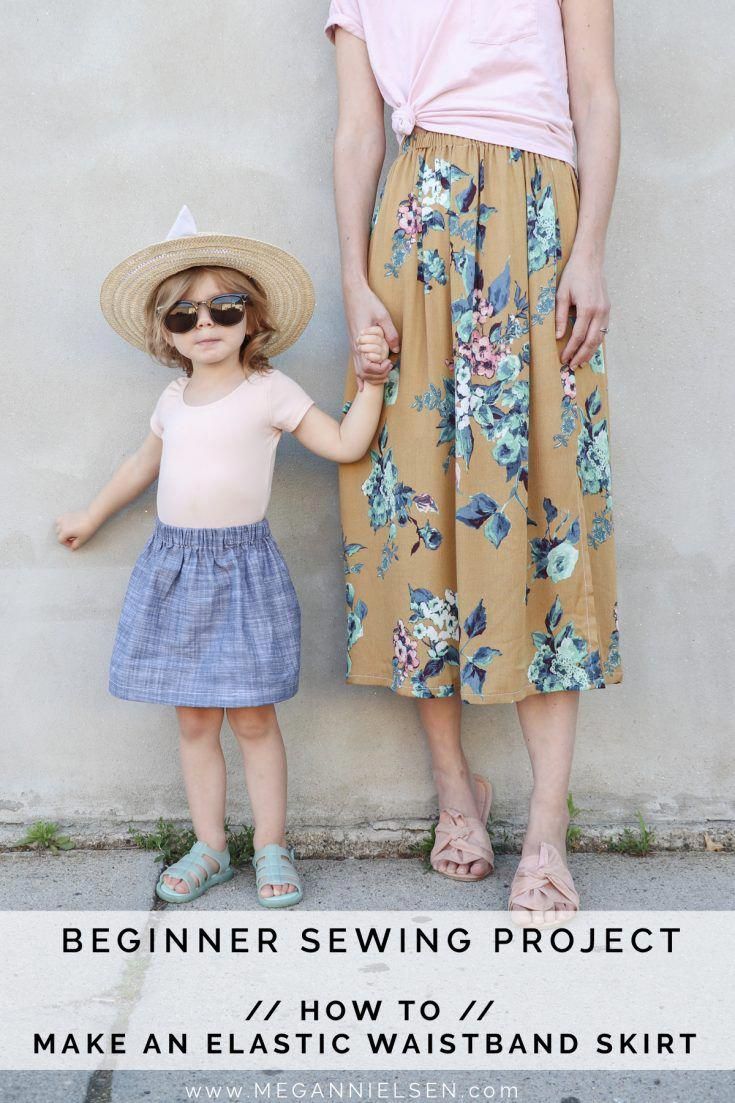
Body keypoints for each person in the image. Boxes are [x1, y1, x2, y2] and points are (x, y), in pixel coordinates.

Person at [325, 0, 622, 926]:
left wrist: (590, 252)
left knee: (547, 518)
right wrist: (351, 277)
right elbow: (355, 129)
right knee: (415, 509)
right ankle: (458, 792)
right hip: (412, 231)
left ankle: (544, 831)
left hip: (536, 216)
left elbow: (597, 95)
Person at [54, 207, 388, 909]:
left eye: (223, 308)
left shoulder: (270, 390)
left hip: (242, 569)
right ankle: (210, 844)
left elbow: (343, 445)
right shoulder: (172, 397)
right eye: (183, 316)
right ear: (166, 333)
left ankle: (271, 844)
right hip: (174, 568)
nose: (204, 324)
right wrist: (90, 513)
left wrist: (373, 384)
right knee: (195, 720)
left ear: (251, 320)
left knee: (255, 719)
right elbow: (141, 464)